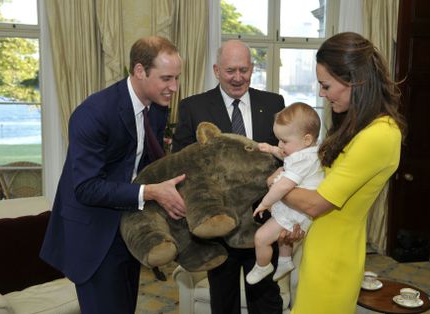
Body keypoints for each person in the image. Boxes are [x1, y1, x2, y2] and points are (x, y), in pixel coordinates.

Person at [40, 36, 187, 314]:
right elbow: (86, 187)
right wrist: (152, 192)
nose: (174, 88)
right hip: (93, 236)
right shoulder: (93, 114)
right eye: (167, 78)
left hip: (126, 229)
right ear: (140, 71)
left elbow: (144, 166)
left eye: (177, 78)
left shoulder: (156, 108)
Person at [279, 32, 407, 313]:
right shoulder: (358, 126)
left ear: (355, 79)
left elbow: (316, 202)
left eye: (326, 85)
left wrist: (276, 183)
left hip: (333, 257)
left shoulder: (380, 134)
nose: (321, 94)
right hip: (317, 245)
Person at [172, 39, 285, 314]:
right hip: (219, 225)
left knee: (266, 300)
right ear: (216, 70)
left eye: (244, 70)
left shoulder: (273, 103)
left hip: (263, 221)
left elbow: (287, 157)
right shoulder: (192, 107)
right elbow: (181, 165)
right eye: (230, 70)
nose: (238, 78)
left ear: (252, 68)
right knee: (223, 301)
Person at [245, 102, 324, 285]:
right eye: (278, 140)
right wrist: (272, 149)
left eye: (284, 141)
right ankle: (285, 261)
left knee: (261, 237)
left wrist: (265, 203)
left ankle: (262, 266)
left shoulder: (302, 159)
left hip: (296, 210)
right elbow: (287, 156)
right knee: (283, 237)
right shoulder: (309, 152)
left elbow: (282, 187)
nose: (280, 144)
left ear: (306, 139)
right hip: (300, 210)